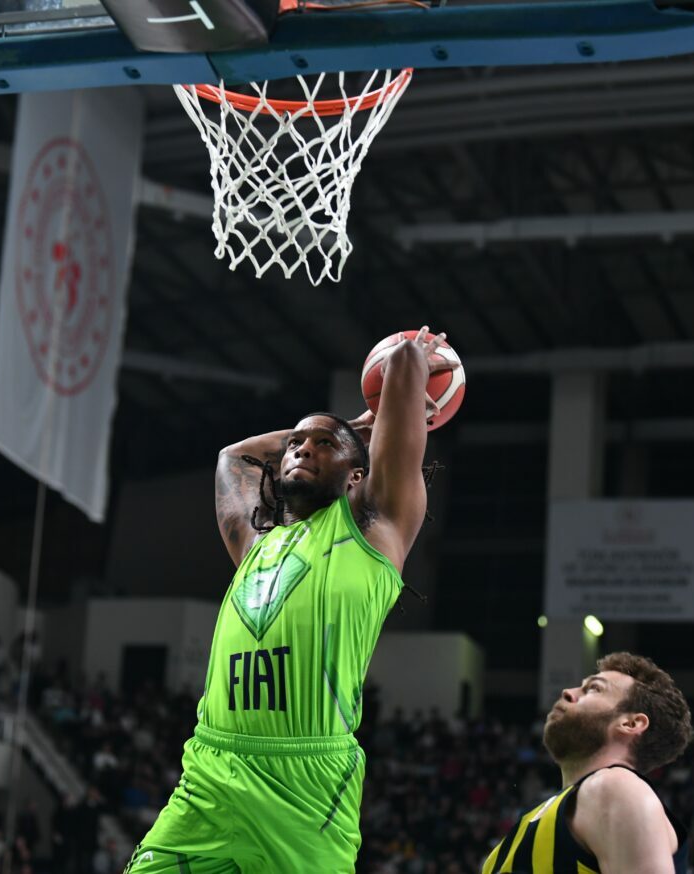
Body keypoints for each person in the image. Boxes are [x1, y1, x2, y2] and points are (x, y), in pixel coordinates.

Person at [125, 328, 457, 873]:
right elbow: (232, 457)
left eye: (324, 445)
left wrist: (408, 366)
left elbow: (401, 360)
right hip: (211, 772)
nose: (303, 447)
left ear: (358, 474)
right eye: (297, 443)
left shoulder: (376, 527)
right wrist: (342, 429)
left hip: (306, 788)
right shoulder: (255, 545)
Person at [481, 652, 694, 874]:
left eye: (593, 688)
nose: (568, 692)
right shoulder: (545, 811)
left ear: (631, 723)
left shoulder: (616, 788)